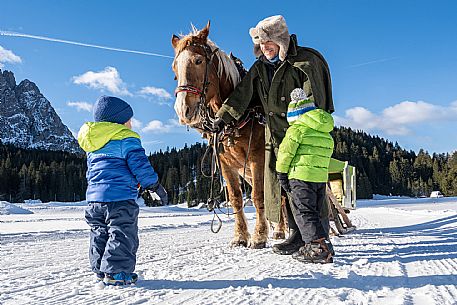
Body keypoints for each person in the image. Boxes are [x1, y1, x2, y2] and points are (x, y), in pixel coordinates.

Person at [213, 15, 334, 255]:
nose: (264, 47)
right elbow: (242, 96)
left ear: (281, 40)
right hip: (278, 140)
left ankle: (319, 240)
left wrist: (303, 130)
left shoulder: (305, 62)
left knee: (307, 189)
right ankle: (298, 237)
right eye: (260, 44)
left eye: (269, 42)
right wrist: (222, 118)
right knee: (288, 188)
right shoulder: (260, 68)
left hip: (304, 137)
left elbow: (316, 104)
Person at [78, 96, 168, 286]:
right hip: (119, 198)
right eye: (129, 119)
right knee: (122, 232)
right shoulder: (126, 138)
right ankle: (116, 272)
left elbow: (91, 172)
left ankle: (100, 270)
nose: (131, 123)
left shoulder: (93, 143)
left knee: (99, 232)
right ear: (119, 120)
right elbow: (139, 165)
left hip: (94, 199)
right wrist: (153, 185)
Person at [276, 88, 335, 263]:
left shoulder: (297, 130)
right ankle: (324, 245)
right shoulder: (324, 132)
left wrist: (281, 173)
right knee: (315, 212)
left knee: (304, 212)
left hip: (300, 177)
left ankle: (316, 248)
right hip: (319, 178)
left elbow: (285, 153)